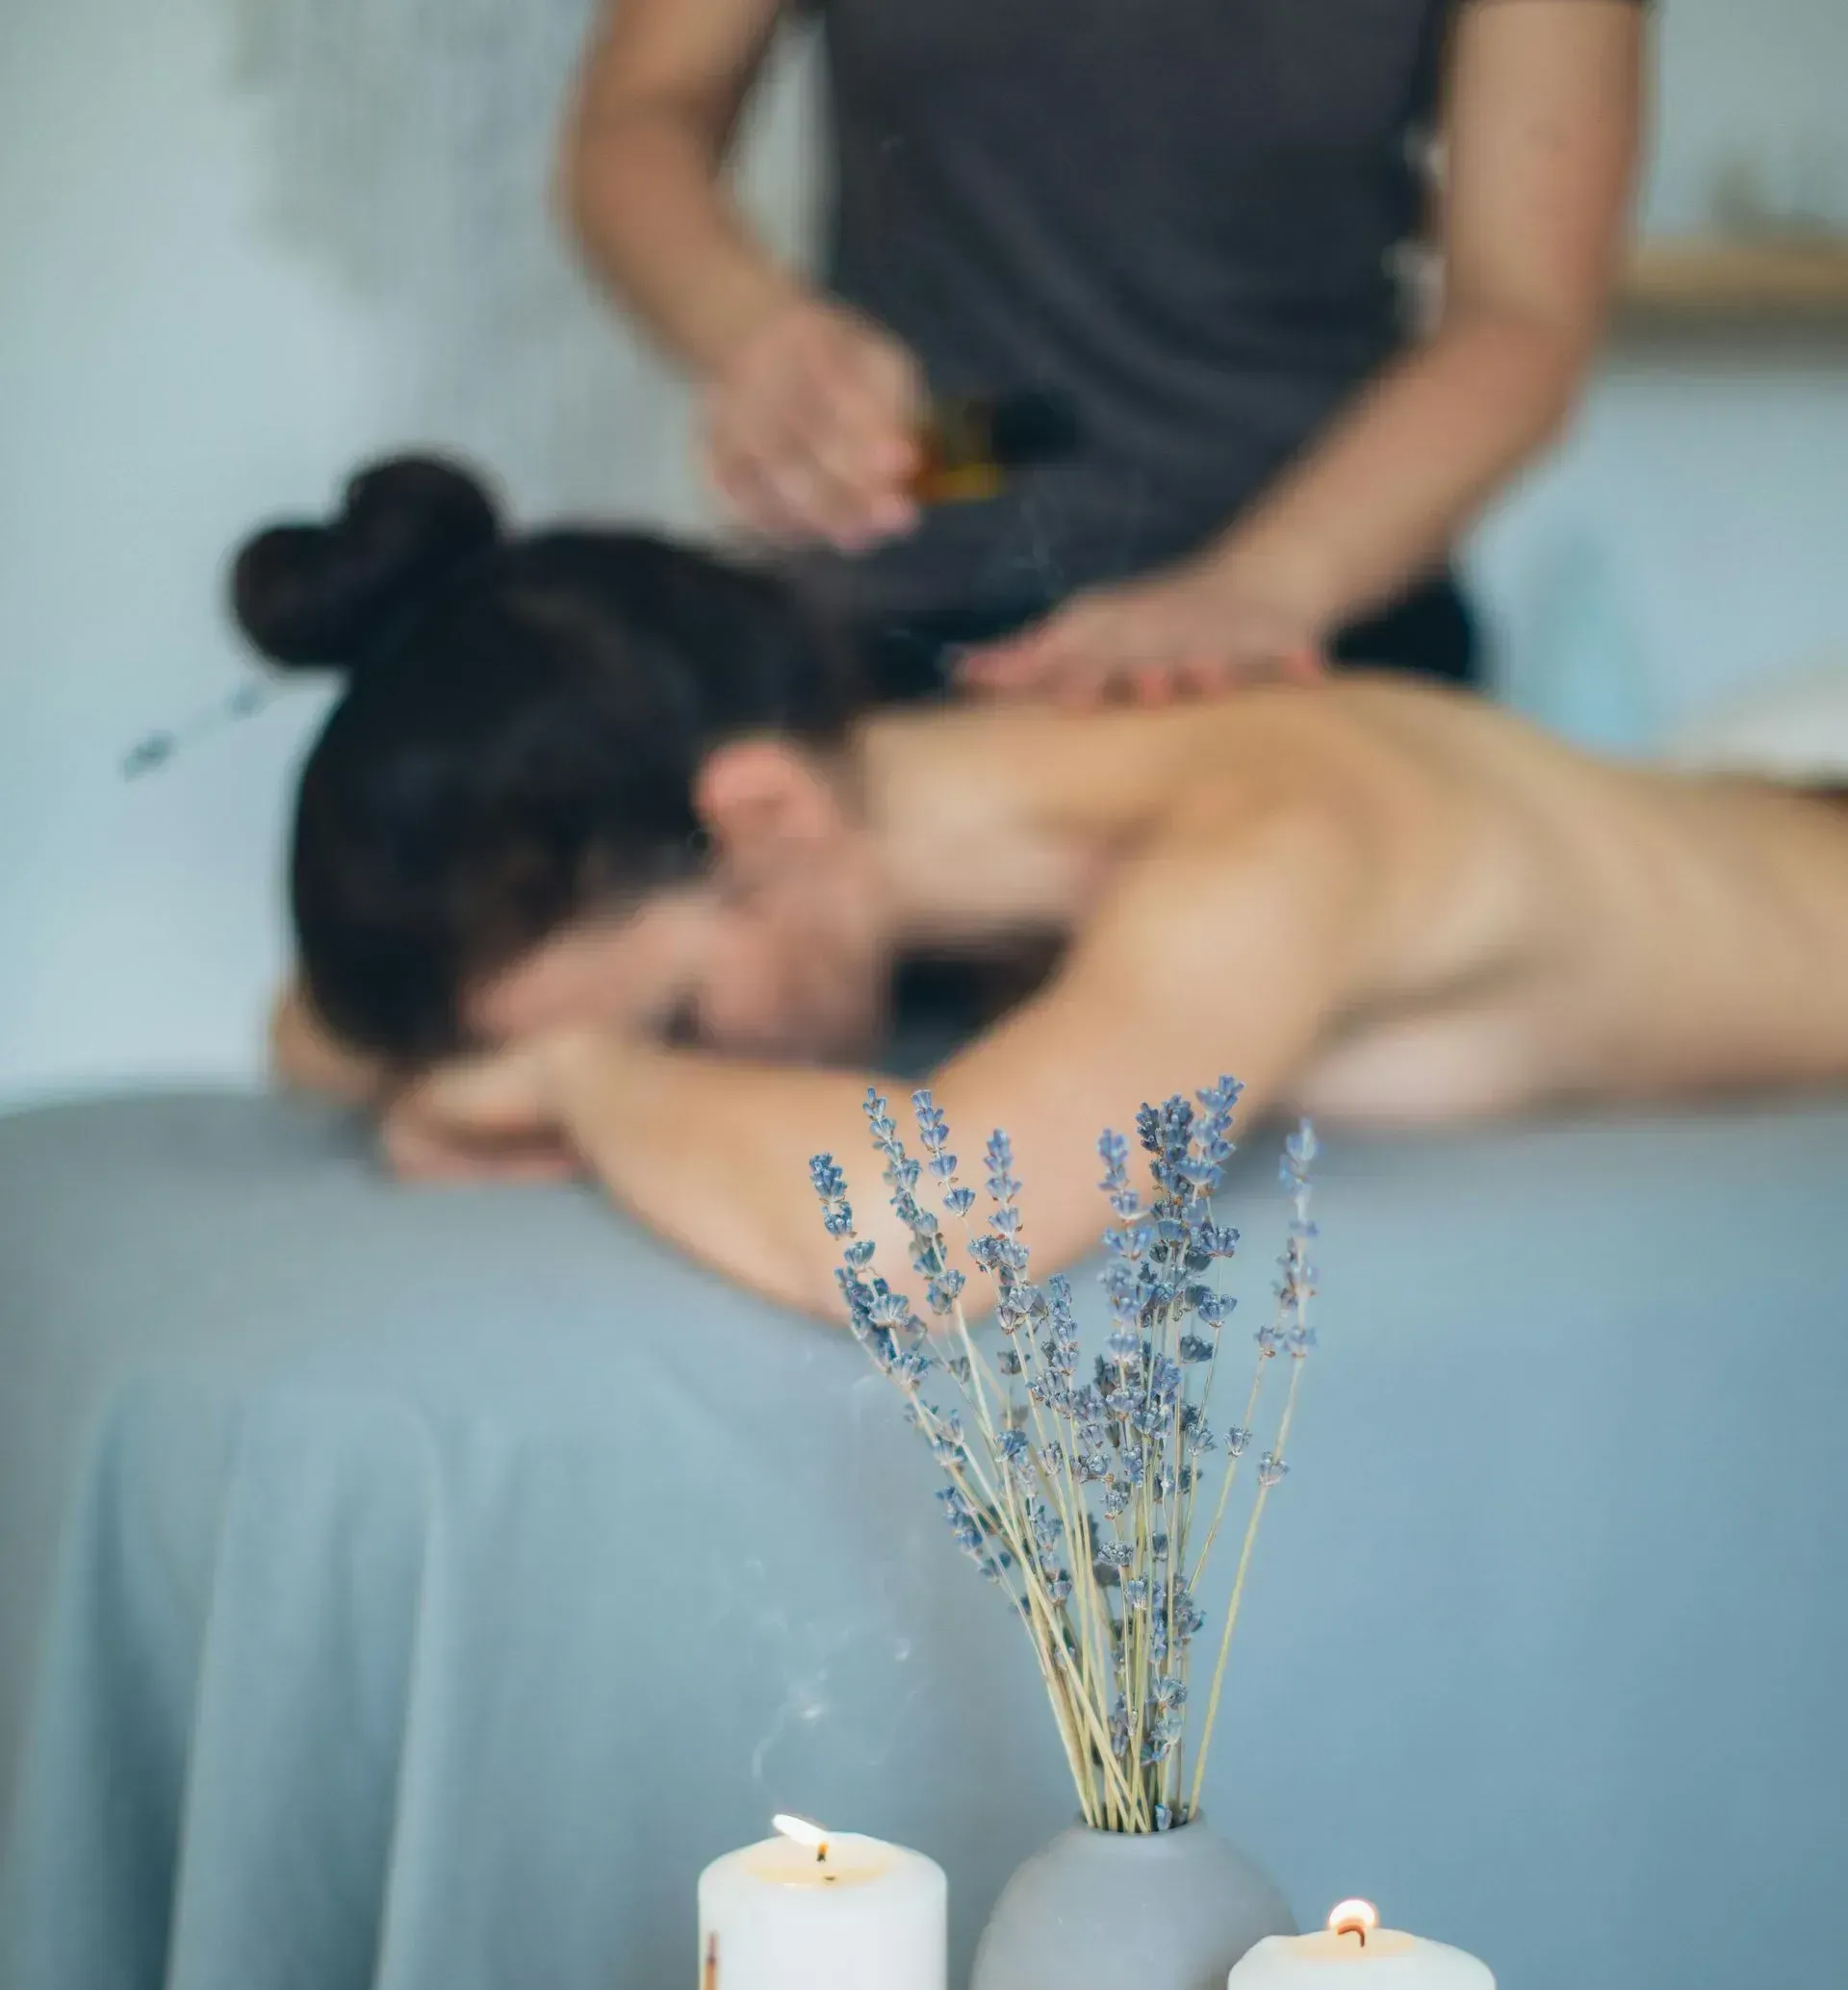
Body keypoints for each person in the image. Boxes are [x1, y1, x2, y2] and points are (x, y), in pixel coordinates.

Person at [250, 458, 1848, 1314]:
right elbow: (312, 1028)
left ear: (762, 817)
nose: (701, 1071)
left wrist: (588, 1081)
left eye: (679, 1018)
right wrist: (509, 1050)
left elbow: (932, 1235)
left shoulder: (1262, 846)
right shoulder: (908, 821)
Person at [560, 0, 1647, 702]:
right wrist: (754, 328)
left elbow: (1521, 320)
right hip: (911, 598)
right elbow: (638, 122)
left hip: (1308, 619)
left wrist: (1259, 590)